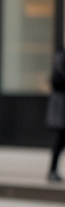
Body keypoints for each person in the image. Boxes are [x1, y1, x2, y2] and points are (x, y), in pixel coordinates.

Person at [46, 46, 65, 182]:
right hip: (61, 105)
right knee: (60, 140)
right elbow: (58, 79)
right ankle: (52, 171)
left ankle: (53, 171)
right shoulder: (61, 57)